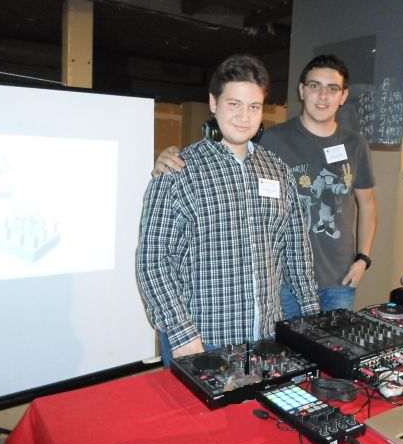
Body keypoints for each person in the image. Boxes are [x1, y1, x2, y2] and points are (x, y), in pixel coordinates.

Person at [153, 54, 377, 318]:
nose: (323, 96)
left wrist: (363, 258)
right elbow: (227, 154)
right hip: (279, 281)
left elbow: (367, 204)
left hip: (340, 276)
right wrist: (172, 157)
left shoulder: (355, 144)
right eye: (314, 86)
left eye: (332, 88)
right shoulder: (272, 140)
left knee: (334, 343)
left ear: (343, 95)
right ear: (301, 90)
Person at [136, 54, 320, 366]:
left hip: (265, 341)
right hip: (202, 341)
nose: (244, 117)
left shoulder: (279, 172)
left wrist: (313, 318)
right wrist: (182, 335)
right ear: (213, 102)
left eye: (254, 107)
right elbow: (153, 261)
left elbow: (297, 253)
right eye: (234, 104)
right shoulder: (178, 172)